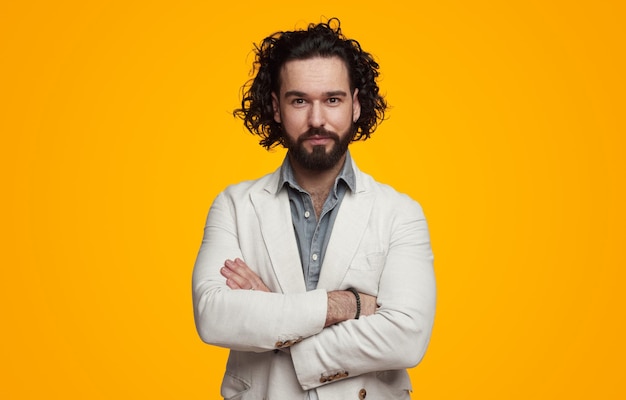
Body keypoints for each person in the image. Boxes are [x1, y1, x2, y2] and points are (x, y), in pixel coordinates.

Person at [192, 18, 436, 400]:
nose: (317, 119)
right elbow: (214, 317)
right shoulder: (235, 205)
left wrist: (271, 314)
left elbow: (406, 338)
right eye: (299, 100)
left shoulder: (400, 213)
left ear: (356, 105)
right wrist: (347, 305)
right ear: (276, 107)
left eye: (333, 99)